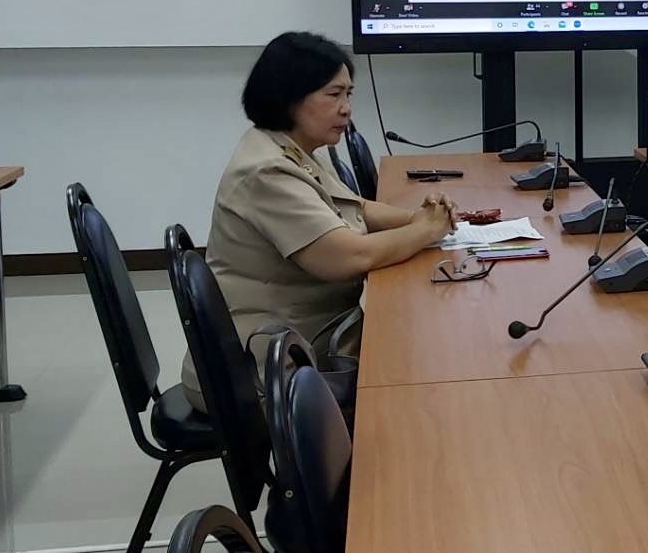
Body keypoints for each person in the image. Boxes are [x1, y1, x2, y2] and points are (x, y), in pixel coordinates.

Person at [182, 31, 456, 411]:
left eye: (349, 95)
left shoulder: (292, 147)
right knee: (424, 364)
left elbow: (356, 207)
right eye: (334, 95)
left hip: (302, 336)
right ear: (289, 95)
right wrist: (424, 230)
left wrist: (417, 217)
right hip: (261, 369)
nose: (347, 109)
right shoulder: (266, 172)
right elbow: (348, 257)